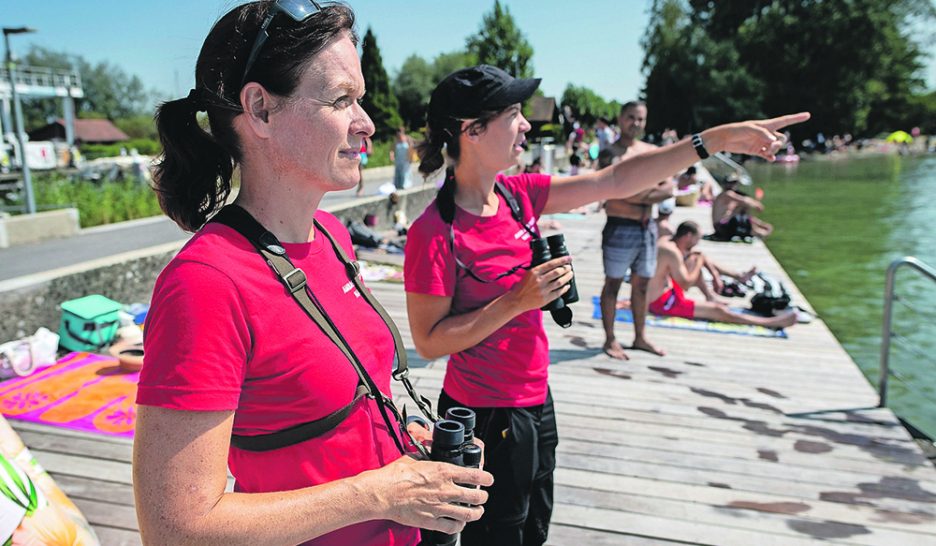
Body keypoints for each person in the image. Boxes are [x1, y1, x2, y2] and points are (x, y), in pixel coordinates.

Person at [403, 64, 808, 545]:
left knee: (534, 528)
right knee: (497, 536)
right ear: (471, 130)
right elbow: (428, 342)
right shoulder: (434, 231)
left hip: (535, 399)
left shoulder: (517, 196)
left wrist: (712, 140)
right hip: (484, 413)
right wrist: (517, 300)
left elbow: (615, 179)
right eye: (513, 113)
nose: (527, 124)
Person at [133, 3, 491, 545]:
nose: (366, 123)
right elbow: (175, 528)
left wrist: (404, 444)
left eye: (361, 100)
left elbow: (321, 414)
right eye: (342, 100)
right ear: (260, 110)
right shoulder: (206, 283)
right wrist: (380, 493)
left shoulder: (330, 234)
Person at [597, 100, 674, 359]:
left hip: (647, 228)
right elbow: (610, 191)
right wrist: (643, 192)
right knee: (613, 284)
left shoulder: (650, 151)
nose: (636, 123)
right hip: (620, 226)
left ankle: (640, 337)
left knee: (642, 285)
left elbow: (668, 188)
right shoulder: (610, 154)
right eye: (631, 117)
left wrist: (632, 192)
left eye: (640, 119)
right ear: (620, 119)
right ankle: (610, 339)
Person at [648, 221, 796, 328]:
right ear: (687, 236)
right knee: (719, 311)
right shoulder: (671, 252)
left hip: (667, 293)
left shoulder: (667, 242)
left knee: (696, 257)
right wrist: (699, 262)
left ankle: (712, 296)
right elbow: (685, 283)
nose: (697, 243)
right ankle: (769, 323)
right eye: (696, 239)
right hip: (662, 303)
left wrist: (712, 272)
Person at [711, 174, 773, 239]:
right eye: (732, 183)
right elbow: (744, 200)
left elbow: (740, 213)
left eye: (735, 183)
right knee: (743, 206)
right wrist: (757, 204)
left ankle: (754, 230)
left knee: (741, 207)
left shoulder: (729, 198)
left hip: (722, 226)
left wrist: (761, 224)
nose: (734, 185)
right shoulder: (727, 194)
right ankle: (754, 231)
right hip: (721, 227)